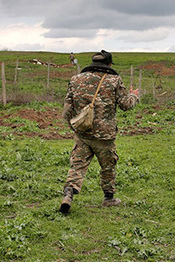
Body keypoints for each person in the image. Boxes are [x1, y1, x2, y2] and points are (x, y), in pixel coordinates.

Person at [59, 50, 139, 213]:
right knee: (108, 166)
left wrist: (72, 126)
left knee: (77, 165)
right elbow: (125, 105)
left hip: (83, 132)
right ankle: (108, 198)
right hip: (105, 135)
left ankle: (68, 194)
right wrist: (134, 96)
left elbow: (67, 107)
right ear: (109, 65)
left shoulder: (76, 79)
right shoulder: (114, 81)